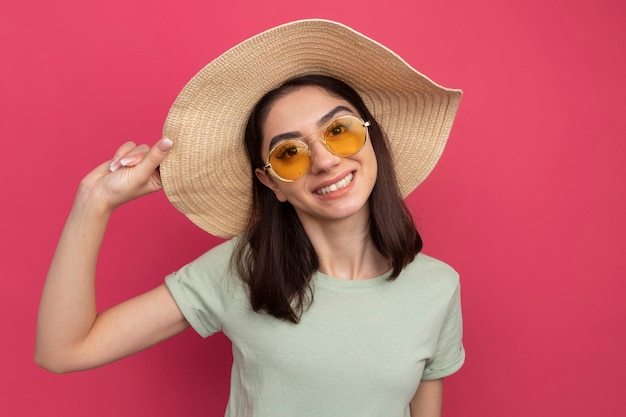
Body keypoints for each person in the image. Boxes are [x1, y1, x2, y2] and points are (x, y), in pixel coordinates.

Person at [35, 19, 464, 417]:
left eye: (339, 131)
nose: (325, 161)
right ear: (271, 182)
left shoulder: (437, 288)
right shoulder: (241, 269)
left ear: (372, 138)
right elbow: (63, 351)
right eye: (289, 153)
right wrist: (93, 202)